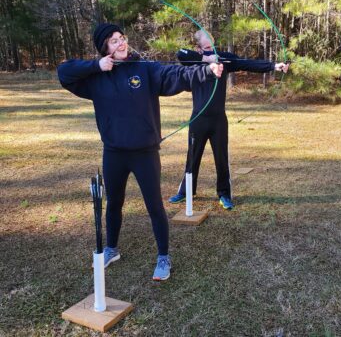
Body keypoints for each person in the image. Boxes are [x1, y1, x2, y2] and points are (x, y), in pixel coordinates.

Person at [57, 23, 223, 281]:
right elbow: (64, 72)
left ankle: (163, 257)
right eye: (113, 41)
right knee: (114, 203)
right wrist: (96, 66)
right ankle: (112, 249)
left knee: (154, 206)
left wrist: (206, 71)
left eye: (121, 38)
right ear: (104, 48)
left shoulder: (145, 69)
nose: (121, 43)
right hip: (113, 152)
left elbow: (175, 75)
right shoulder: (96, 78)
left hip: (144, 152)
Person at [169, 30, 289, 209]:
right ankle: (186, 192)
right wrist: (207, 60)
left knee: (221, 159)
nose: (211, 45)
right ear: (199, 47)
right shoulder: (194, 59)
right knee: (192, 157)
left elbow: (246, 63)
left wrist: (273, 66)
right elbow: (181, 53)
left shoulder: (224, 58)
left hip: (218, 121)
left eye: (212, 42)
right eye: (206, 43)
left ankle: (224, 194)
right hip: (198, 119)